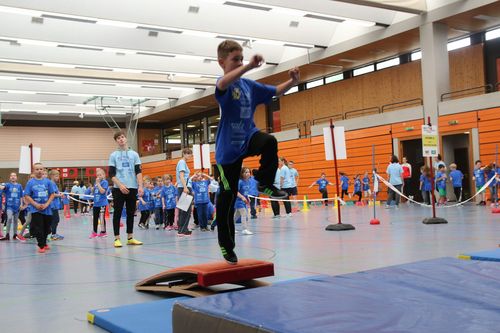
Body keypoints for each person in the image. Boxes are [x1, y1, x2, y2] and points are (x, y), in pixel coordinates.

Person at [214, 39, 299, 264]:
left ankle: (264, 182)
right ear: (222, 62)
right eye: (235, 60)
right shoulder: (224, 85)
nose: (240, 63)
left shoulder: (249, 86)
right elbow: (222, 83)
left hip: (248, 137)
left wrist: (292, 81)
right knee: (227, 198)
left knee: (269, 141)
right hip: (228, 151)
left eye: (241, 59)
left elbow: (276, 90)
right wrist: (249, 66)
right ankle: (226, 245)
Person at [108, 130, 143, 248]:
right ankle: (117, 238)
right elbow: (111, 174)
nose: (121, 139)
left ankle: (130, 237)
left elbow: (138, 171)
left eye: (122, 137)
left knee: (130, 213)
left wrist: (140, 186)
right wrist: (120, 185)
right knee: (117, 213)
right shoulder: (113, 155)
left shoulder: (134, 154)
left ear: (126, 138)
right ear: (116, 141)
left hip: (132, 187)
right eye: (118, 138)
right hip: (119, 188)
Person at [24, 163, 55, 253]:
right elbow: (27, 195)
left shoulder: (48, 182)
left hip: (47, 209)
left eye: (41, 169)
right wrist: (35, 204)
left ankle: (44, 242)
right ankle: (41, 245)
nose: (39, 171)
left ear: (43, 170)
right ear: (34, 171)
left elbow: (52, 194)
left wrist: (46, 204)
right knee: (39, 227)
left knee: (46, 227)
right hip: (35, 209)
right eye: (37, 169)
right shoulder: (30, 182)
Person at [0, 172, 25, 242]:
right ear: (9, 178)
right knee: (9, 218)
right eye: (11, 176)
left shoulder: (19, 186)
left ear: (16, 177)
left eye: (14, 175)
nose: (13, 177)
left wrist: (21, 204)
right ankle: (7, 234)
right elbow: (2, 187)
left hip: (17, 206)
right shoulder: (7, 185)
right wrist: (2, 186)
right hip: (9, 206)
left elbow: (21, 196)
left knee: (16, 220)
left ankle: (15, 234)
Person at [176, 148, 193, 237]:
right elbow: (181, 176)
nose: (190, 155)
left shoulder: (183, 163)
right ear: (184, 154)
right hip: (184, 187)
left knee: (184, 210)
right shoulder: (182, 162)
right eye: (189, 153)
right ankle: (182, 230)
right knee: (185, 210)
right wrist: (185, 188)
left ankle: (183, 230)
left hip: (184, 186)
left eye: (191, 154)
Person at [90, 168, 109, 238]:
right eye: (97, 175)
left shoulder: (105, 182)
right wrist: (92, 189)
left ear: (103, 175)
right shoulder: (95, 183)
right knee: (95, 218)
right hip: (96, 204)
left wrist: (98, 184)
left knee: (101, 218)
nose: (98, 176)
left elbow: (102, 191)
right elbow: (94, 191)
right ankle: (94, 232)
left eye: (100, 175)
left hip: (102, 204)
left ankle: (103, 232)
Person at [234, 167, 253, 235]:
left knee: (236, 216)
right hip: (238, 201)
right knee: (244, 213)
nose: (247, 174)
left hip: (243, 201)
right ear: (242, 174)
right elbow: (235, 192)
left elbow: (245, 191)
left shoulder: (247, 182)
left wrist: (247, 197)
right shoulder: (240, 182)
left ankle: (230, 227)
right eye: (245, 172)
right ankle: (244, 229)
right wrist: (242, 197)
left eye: (248, 172)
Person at [48, 170, 64, 241]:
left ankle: (53, 234)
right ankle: (53, 234)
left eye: (58, 176)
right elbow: (52, 194)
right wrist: (60, 195)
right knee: (55, 220)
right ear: (52, 176)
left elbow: (55, 192)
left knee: (55, 220)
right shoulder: (51, 183)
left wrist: (59, 193)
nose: (58, 177)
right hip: (52, 205)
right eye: (56, 176)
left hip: (55, 205)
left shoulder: (54, 184)